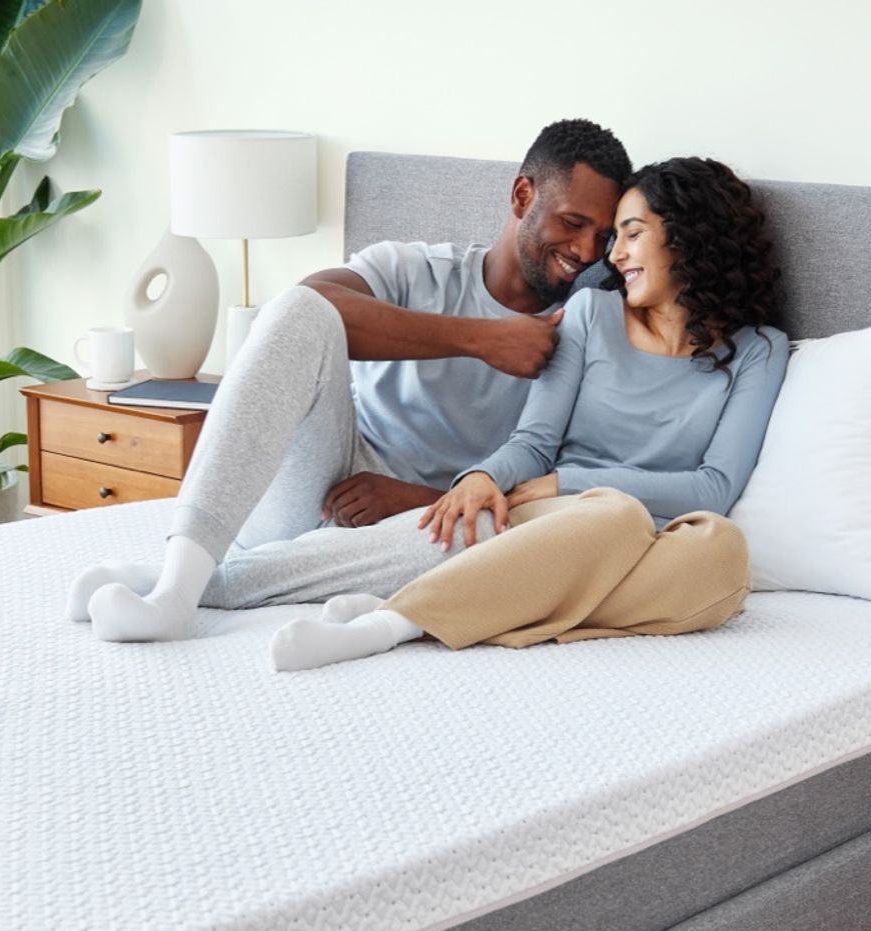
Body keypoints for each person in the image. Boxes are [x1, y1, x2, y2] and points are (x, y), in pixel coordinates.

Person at [66, 119, 631, 640]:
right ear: (523, 196)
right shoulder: (418, 269)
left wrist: (413, 498)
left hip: (426, 525)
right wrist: (481, 338)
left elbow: (558, 493)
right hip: (320, 491)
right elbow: (308, 306)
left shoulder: (586, 330)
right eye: (573, 223)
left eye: (604, 238)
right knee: (299, 309)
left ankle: (198, 583)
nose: (587, 252)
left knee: (505, 543)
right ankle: (173, 596)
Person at [263, 156, 792, 670]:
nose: (613, 258)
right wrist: (482, 476)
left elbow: (714, 488)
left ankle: (417, 604)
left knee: (721, 556)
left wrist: (567, 481)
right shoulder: (590, 314)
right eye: (617, 240)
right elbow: (534, 441)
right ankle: (390, 626)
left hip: (650, 540)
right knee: (614, 514)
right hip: (561, 523)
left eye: (632, 234)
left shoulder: (759, 350)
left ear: (688, 236)